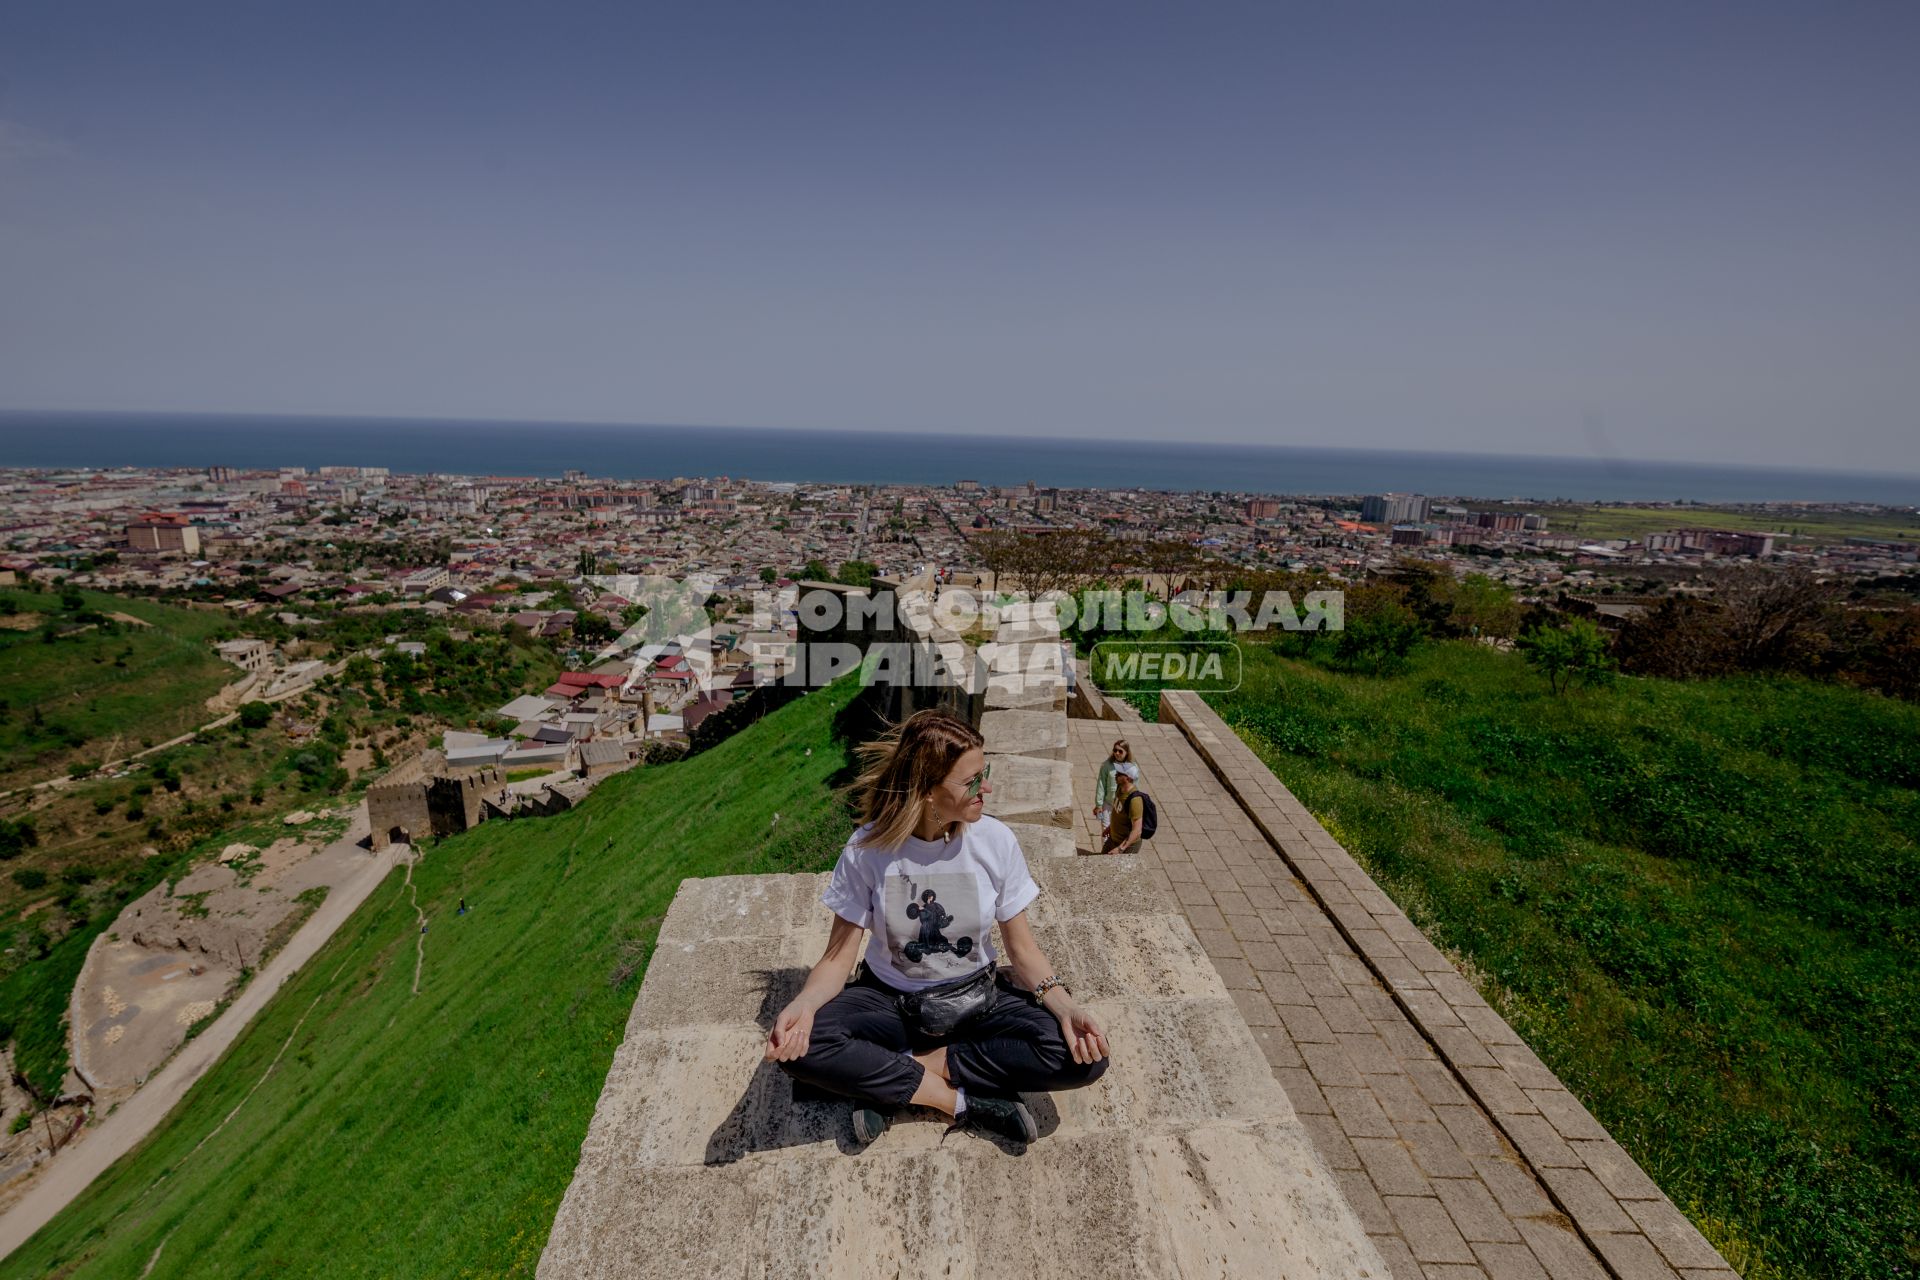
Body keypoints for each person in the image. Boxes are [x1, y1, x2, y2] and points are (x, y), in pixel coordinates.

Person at [768, 708, 1110, 1145]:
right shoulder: (867, 851)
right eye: (970, 781)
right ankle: (959, 1102)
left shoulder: (995, 841)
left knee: (1083, 1057)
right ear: (928, 790)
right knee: (801, 1047)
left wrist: (1064, 1007)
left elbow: (1022, 951)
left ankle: (887, 1076)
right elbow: (837, 960)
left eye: (983, 773)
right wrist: (805, 1005)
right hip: (889, 1002)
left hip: (978, 1000)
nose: (985, 788)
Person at [1091, 739, 1136, 839]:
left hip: (1122, 806)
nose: (1117, 753)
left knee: (1119, 832)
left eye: (1120, 751)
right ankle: (1104, 853)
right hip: (1108, 804)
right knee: (1105, 830)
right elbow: (1101, 784)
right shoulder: (1107, 765)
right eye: (1115, 750)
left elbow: (1134, 788)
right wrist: (1099, 804)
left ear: (1126, 752)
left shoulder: (1132, 768)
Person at [1099, 763, 1145, 856]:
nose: (1115, 774)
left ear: (1128, 778)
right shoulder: (1119, 788)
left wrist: (1120, 849)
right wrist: (1110, 828)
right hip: (1113, 838)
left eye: (1119, 774)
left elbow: (1137, 830)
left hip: (1126, 846)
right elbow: (1118, 812)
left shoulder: (1135, 800)